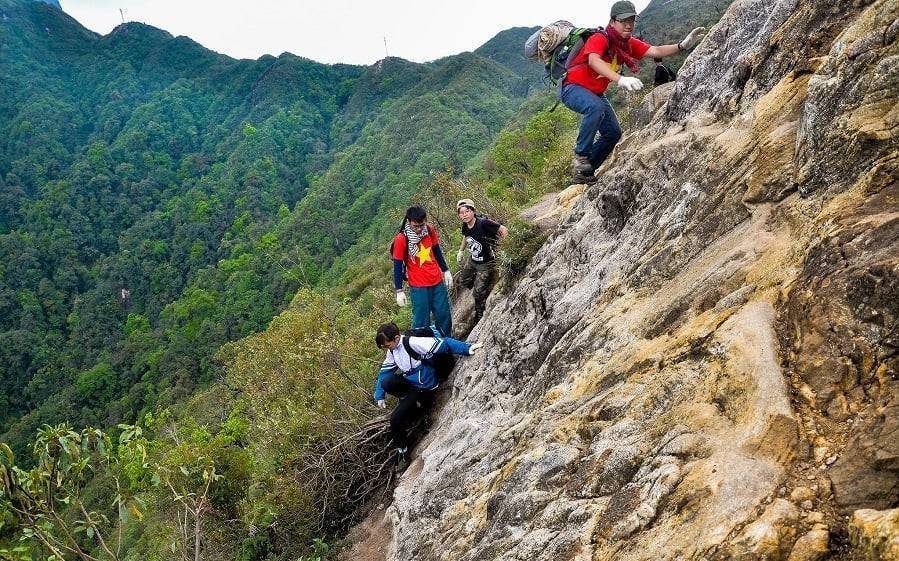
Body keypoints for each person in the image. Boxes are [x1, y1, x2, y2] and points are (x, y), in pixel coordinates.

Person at [561, 0, 705, 183]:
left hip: (595, 92)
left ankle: (585, 172)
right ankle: (581, 156)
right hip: (572, 87)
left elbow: (655, 50)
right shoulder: (599, 38)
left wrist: (682, 45)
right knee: (595, 107)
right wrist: (620, 79)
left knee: (613, 133)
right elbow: (594, 61)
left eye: (631, 20)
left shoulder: (626, 44)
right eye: (623, 21)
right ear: (612, 21)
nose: (628, 25)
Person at [373, 322, 482, 470]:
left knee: (395, 419)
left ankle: (403, 453)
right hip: (412, 383)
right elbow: (385, 371)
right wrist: (379, 394)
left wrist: (467, 348)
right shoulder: (392, 351)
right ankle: (411, 404)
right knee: (387, 382)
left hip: (424, 387)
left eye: (387, 345)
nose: (387, 348)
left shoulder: (413, 343)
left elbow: (444, 343)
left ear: (397, 338)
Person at [392, 205, 454, 336]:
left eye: (421, 225)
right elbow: (397, 265)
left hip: (436, 280)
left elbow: (436, 250)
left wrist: (445, 270)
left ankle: (446, 342)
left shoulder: (429, 230)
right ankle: (422, 346)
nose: (419, 229)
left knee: (444, 316)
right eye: (415, 226)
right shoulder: (402, 239)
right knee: (421, 321)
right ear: (408, 221)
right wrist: (399, 290)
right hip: (418, 286)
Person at [455, 199, 508, 326]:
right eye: (461, 213)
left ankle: (480, 314)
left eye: (467, 211)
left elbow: (503, 229)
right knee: (463, 281)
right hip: (473, 260)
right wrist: (461, 251)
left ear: (473, 211)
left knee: (478, 293)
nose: (465, 215)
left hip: (486, 262)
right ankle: (481, 283)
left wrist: (507, 248)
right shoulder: (465, 225)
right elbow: (466, 236)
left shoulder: (483, 223)